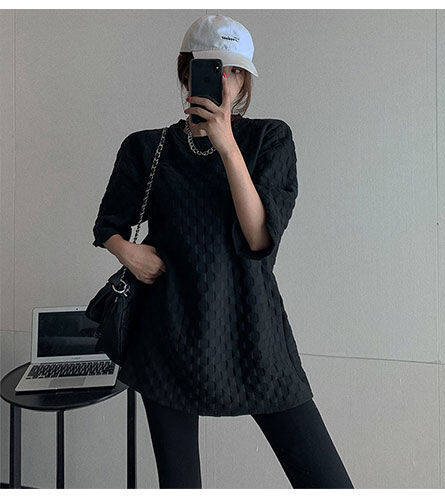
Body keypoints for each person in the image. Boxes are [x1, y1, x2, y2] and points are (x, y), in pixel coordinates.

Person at [92, 14, 354, 489]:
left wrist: (227, 145)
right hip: (167, 332)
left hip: (252, 329)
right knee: (180, 484)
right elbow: (108, 224)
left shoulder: (270, 139)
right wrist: (128, 253)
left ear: (245, 78)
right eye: (214, 68)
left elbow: (258, 239)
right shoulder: (146, 148)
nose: (226, 80)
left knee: (326, 481)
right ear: (187, 72)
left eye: (235, 70)